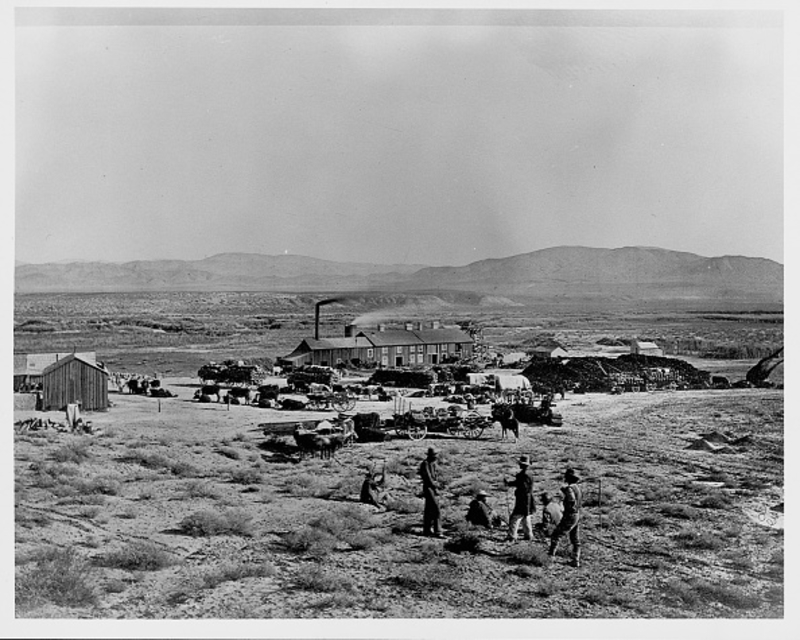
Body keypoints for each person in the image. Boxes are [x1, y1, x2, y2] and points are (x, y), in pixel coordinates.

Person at [548, 468, 584, 567]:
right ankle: (576, 560)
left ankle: (550, 558)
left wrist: (565, 493)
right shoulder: (577, 488)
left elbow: (571, 500)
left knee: (556, 535)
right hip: (577, 515)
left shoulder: (569, 488)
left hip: (570, 515)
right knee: (575, 539)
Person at [505, 455, 536, 541]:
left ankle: (512, 536)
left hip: (523, 499)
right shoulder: (529, 474)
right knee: (526, 517)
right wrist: (509, 483)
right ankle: (529, 535)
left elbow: (522, 487)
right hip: (528, 498)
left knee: (515, 517)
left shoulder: (523, 475)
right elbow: (519, 483)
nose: (519, 465)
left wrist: (510, 484)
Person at [419, 447, 443, 537]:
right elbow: (428, 478)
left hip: (432, 488)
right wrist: (435, 486)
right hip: (428, 488)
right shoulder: (425, 464)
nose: (436, 457)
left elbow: (434, 477)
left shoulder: (432, 464)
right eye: (434, 455)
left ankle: (426, 530)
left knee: (428, 510)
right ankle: (438, 531)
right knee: (436, 510)